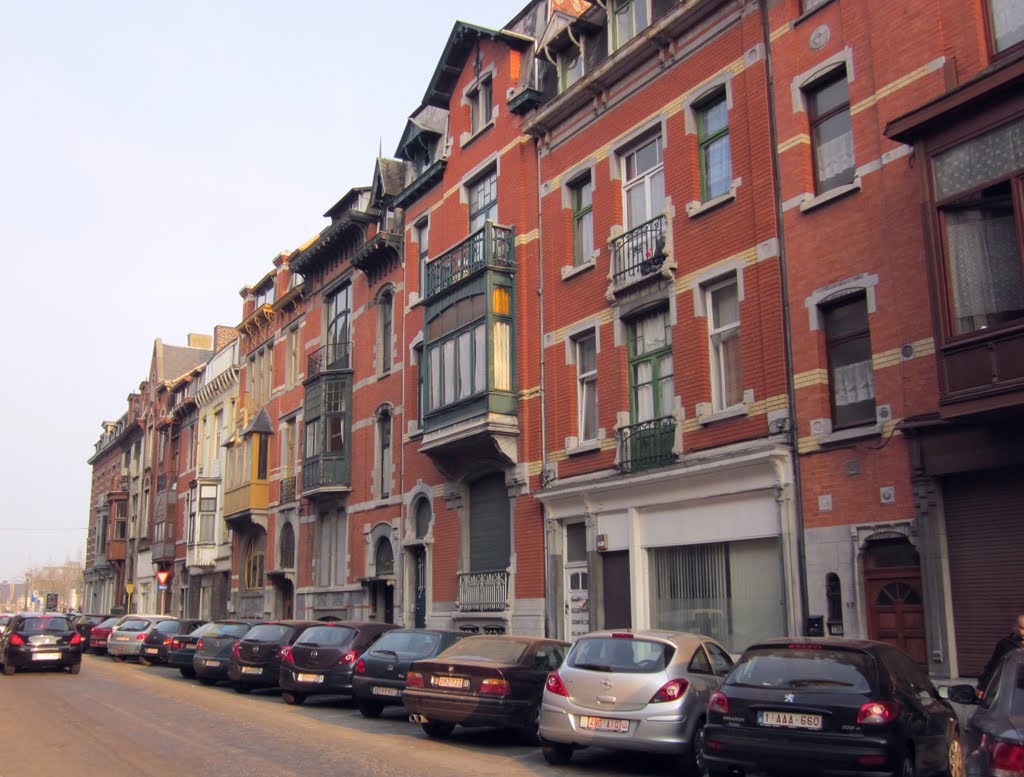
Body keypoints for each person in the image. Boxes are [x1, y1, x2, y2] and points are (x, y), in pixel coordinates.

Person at [977, 614, 1024, 694]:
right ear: (1015, 627)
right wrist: (982, 687)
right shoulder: (1005, 645)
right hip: (1013, 691)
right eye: (1022, 628)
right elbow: (993, 666)